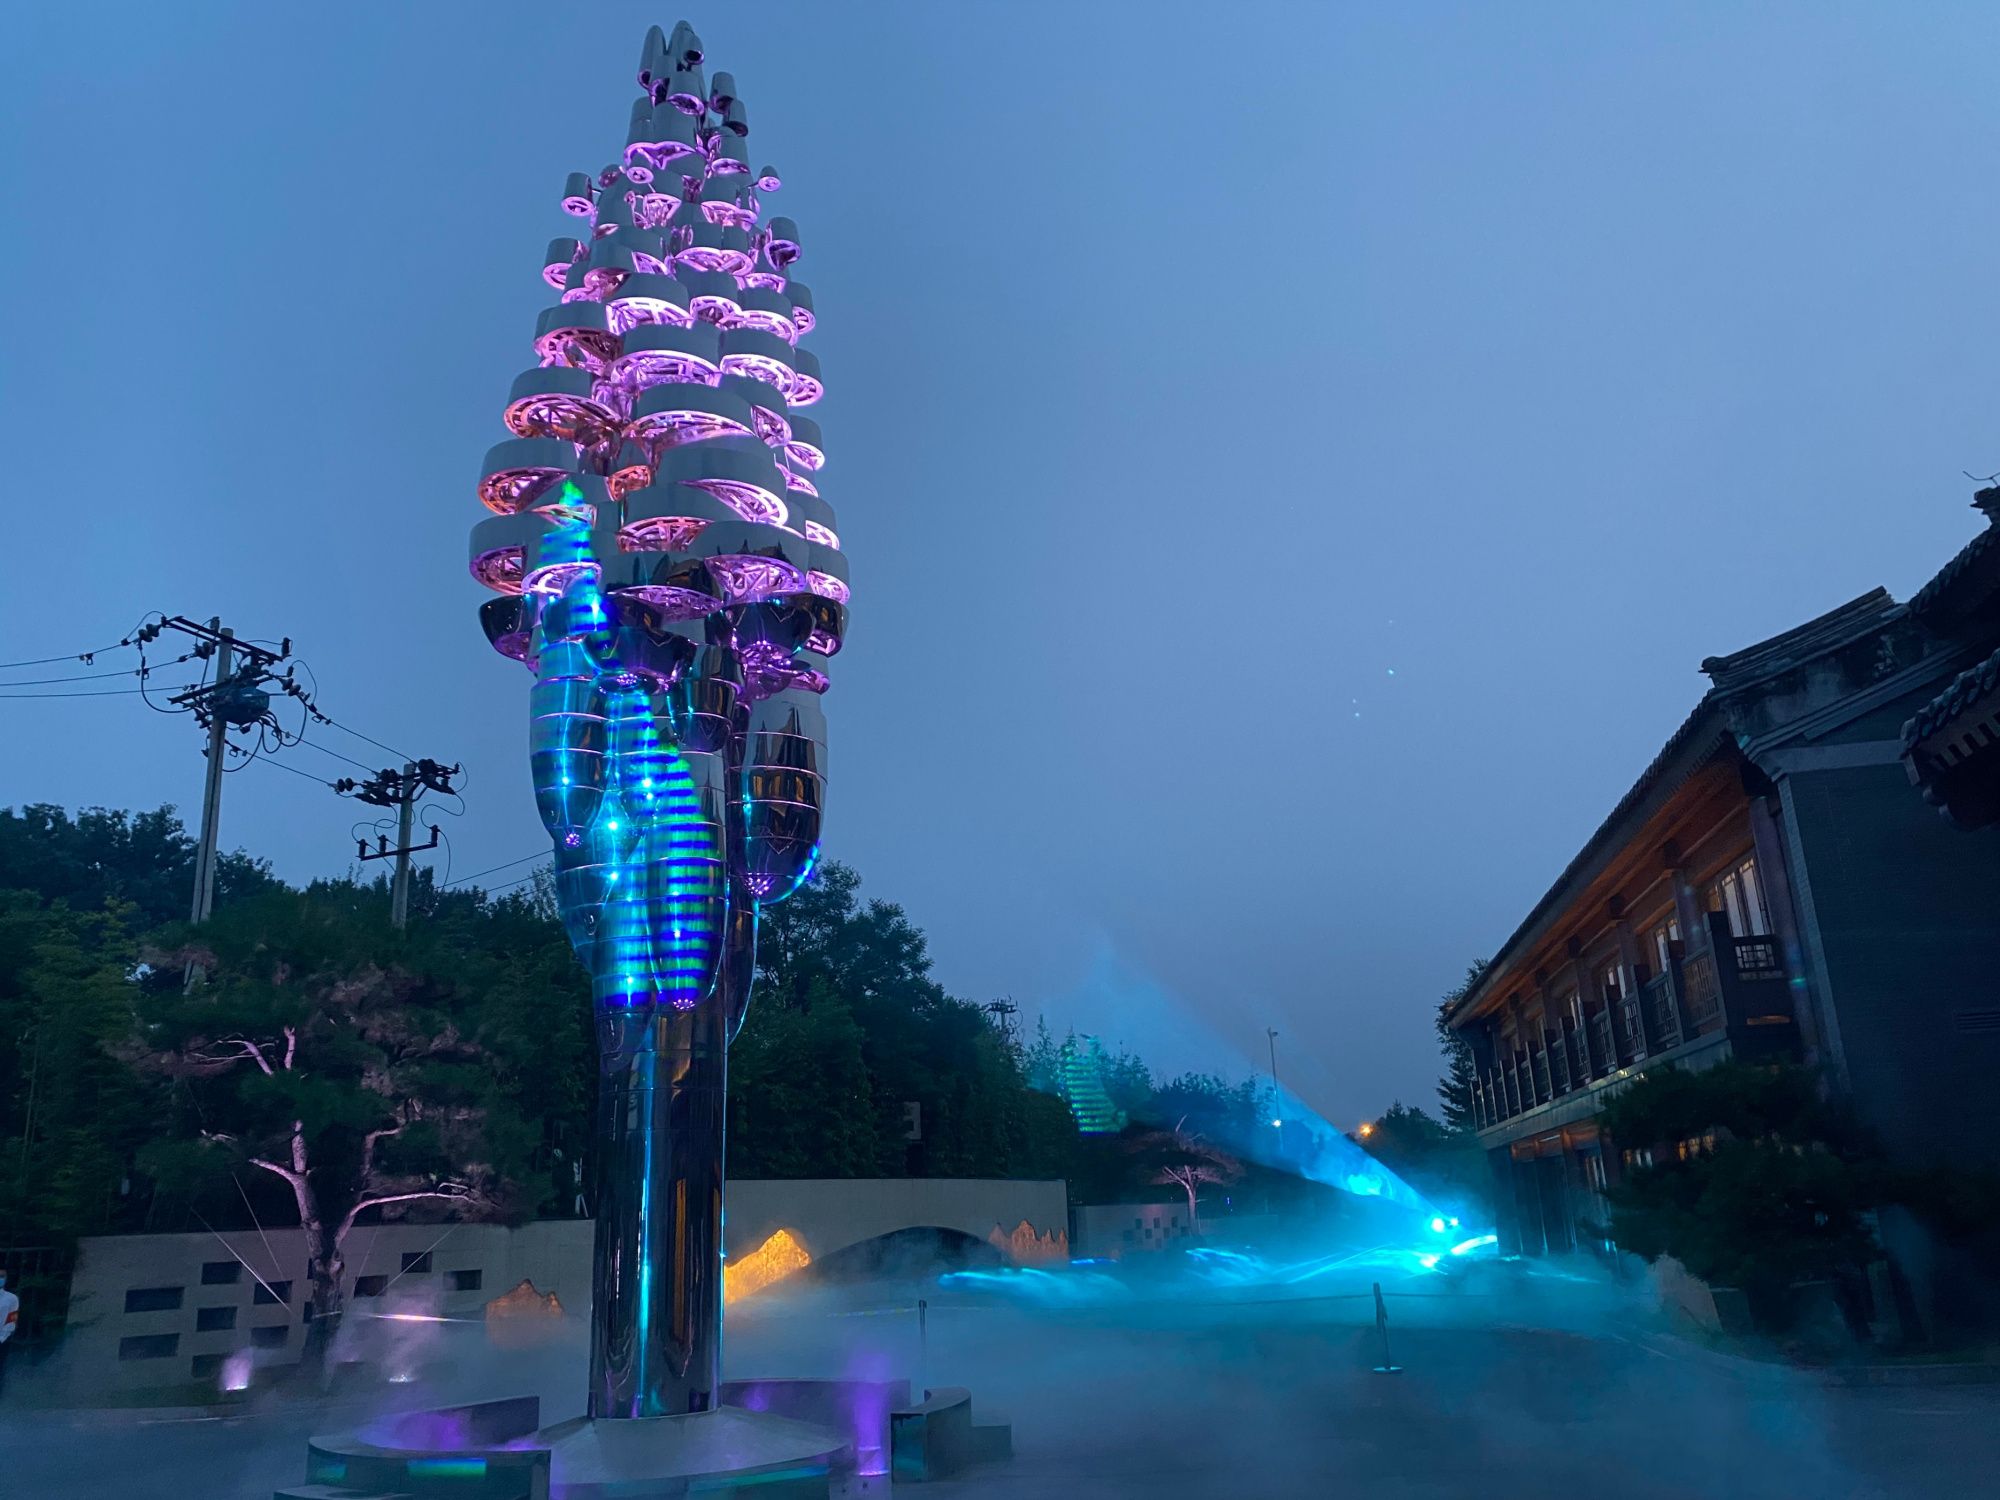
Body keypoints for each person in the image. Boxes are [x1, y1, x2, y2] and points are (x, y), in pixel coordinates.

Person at [0, 1269, 18, 1397]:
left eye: (2, 1276)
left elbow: (12, 1320)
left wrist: (2, 1337)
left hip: (2, 1339)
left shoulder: (11, 1299)